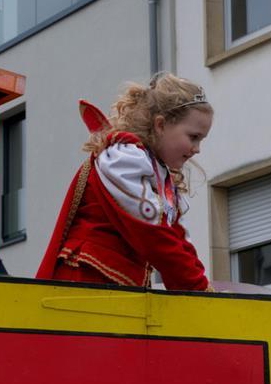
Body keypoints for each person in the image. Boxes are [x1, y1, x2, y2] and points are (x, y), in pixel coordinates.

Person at [36, 73, 214, 291]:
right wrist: (198, 289)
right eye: (193, 137)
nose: (197, 149)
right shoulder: (123, 159)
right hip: (87, 279)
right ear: (160, 125)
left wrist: (200, 287)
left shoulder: (155, 172)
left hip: (112, 284)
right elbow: (154, 236)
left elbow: (176, 238)